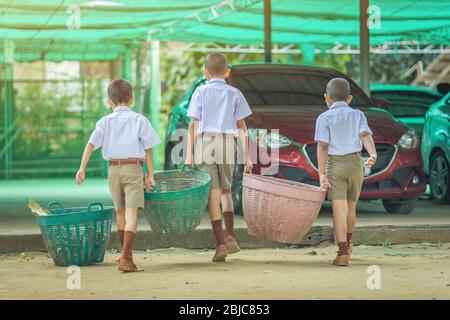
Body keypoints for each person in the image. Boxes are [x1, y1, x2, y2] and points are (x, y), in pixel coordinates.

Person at [75, 79, 160, 272]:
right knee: (131, 214)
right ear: (131, 100)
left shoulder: (104, 122)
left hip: (113, 170)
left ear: (109, 101)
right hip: (133, 169)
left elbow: (90, 145)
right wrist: (150, 175)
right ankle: (124, 257)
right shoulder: (139, 120)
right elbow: (148, 150)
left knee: (120, 213)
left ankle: (127, 256)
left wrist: (82, 168)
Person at [185, 53, 253, 262]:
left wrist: (189, 154)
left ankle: (220, 244)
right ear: (227, 72)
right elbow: (243, 128)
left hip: (205, 143)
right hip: (227, 143)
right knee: (226, 191)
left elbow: (193, 125)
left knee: (213, 195)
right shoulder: (234, 93)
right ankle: (231, 235)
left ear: (205, 73)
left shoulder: (200, 91)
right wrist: (248, 157)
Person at [314, 78, 377, 267]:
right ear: (349, 98)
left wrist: (321, 173)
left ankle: (342, 253)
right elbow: (365, 135)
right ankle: (349, 243)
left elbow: (323, 147)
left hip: (335, 164)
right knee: (351, 207)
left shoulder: (324, 118)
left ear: (327, 98)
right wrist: (372, 153)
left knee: (338, 209)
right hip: (356, 163)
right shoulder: (358, 114)